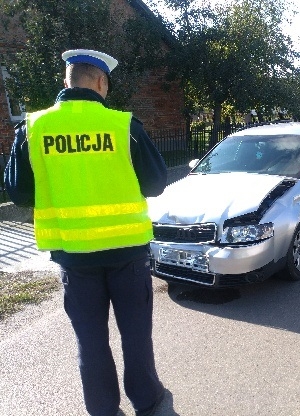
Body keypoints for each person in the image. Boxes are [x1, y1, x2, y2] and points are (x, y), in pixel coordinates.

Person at [4, 49, 168, 416]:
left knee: (91, 341)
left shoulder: (33, 128)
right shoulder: (124, 126)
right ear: (100, 82)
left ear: (67, 82)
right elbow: (156, 183)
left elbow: (18, 192)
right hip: (127, 254)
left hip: (73, 257)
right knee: (135, 336)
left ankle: (102, 408)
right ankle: (146, 399)